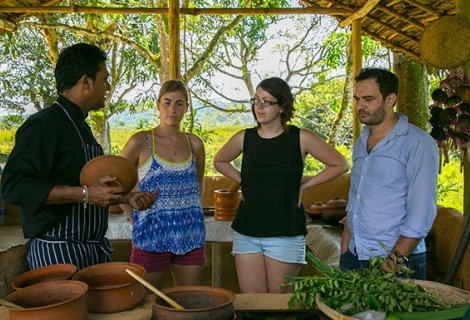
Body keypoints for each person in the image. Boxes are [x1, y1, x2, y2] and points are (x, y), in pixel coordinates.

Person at [0, 43, 156, 270]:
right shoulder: (44, 125)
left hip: (89, 250)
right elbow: (14, 186)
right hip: (58, 251)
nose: (108, 86)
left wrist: (124, 198)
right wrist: (84, 194)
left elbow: (83, 186)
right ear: (86, 82)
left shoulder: (79, 126)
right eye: (104, 79)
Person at [213, 77, 349, 293]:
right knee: (254, 305)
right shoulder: (244, 138)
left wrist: (304, 186)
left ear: (282, 106)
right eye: (256, 100)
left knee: (279, 305)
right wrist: (243, 179)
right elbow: (219, 161)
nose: (259, 106)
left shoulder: (300, 138)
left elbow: (340, 164)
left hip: (285, 231)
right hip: (247, 230)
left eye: (267, 101)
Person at [340, 68, 439, 279]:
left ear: (390, 99)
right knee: (346, 314)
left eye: (368, 99)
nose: (359, 106)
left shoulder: (417, 143)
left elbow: (421, 211)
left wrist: (395, 260)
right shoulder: (361, 141)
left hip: (396, 260)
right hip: (355, 254)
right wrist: (346, 246)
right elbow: (355, 196)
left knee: (397, 314)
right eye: (357, 99)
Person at [119, 80, 206, 288]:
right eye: (167, 103)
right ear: (158, 104)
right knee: (145, 302)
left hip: (190, 235)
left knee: (187, 302)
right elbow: (116, 181)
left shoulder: (194, 143)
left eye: (179, 103)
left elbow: (198, 186)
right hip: (151, 236)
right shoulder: (140, 142)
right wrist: (128, 210)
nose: (172, 109)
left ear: (186, 107)